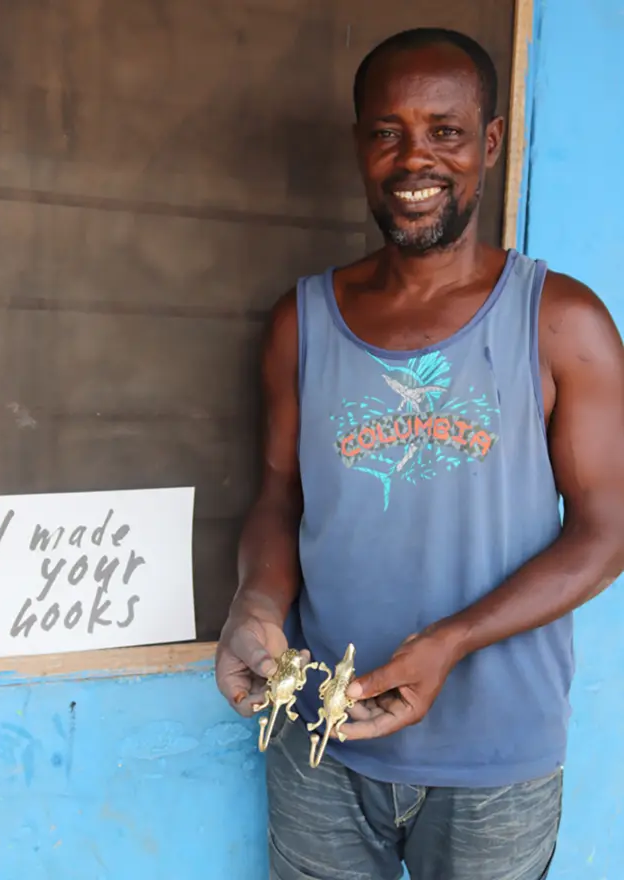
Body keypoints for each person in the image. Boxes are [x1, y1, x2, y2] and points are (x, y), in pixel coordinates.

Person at [215, 27, 624, 880]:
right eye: (387, 132)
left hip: (495, 762)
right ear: (361, 145)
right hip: (320, 745)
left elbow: (606, 531)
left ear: (491, 143)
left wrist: (452, 640)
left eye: (445, 131)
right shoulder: (303, 322)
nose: (415, 159)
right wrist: (254, 605)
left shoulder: (561, 322)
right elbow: (279, 498)